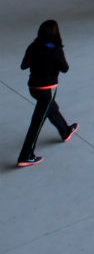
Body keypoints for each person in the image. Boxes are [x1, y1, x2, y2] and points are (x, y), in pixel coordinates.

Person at [16, 20, 78, 168]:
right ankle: (26, 155)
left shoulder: (33, 46)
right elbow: (65, 68)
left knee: (51, 108)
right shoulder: (56, 50)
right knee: (37, 123)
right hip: (47, 90)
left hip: (33, 88)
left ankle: (65, 131)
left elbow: (24, 65)